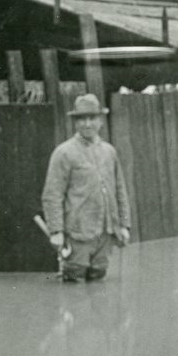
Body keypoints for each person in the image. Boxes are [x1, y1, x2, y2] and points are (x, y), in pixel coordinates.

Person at [41, 93, 131, 283]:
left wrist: (123, 225)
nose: (87, 124)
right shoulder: (63, 153)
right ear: (75, 122)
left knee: (99, 280)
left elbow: (120, 190)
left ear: (101, 121)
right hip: (78, 233)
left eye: (92, 118)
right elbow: (52, 194)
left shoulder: (109, 152)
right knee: (75, 283)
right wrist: (56, 231)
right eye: (82, 119)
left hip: (106, 233)